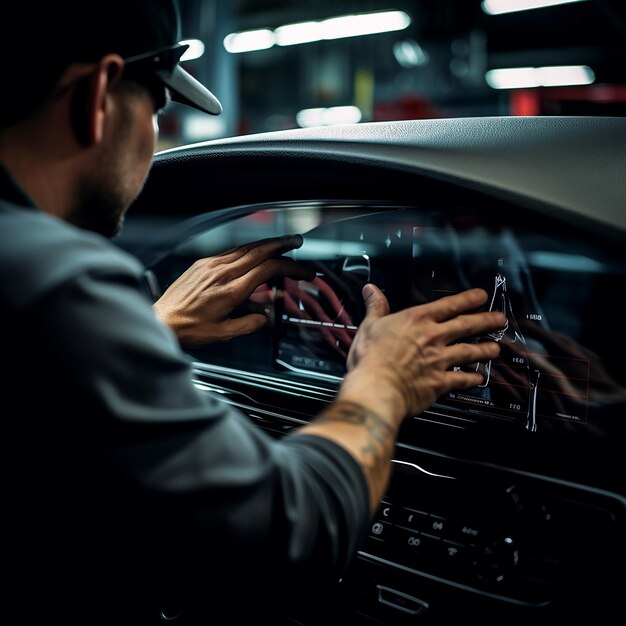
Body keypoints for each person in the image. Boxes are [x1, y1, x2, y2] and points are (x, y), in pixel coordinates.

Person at [0, 1, 505, 623]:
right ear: (100, 94)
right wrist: (383, 383)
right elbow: (282, 537)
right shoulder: (59, 282)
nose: (154, 132)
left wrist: (143, 331)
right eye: (157, 107)